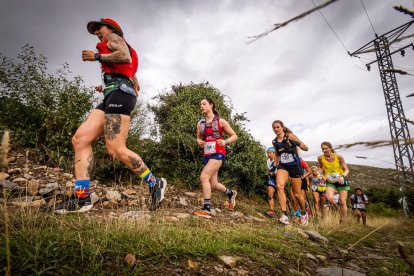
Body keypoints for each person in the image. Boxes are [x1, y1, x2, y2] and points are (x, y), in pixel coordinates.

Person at [48, 18, 167, 213]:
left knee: (115, 148)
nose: (96, 32)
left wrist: (96, 56)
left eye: (98, 28)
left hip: (120, 94)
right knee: (80, 140)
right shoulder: (110, 44)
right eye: (94, 30)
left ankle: (155, 183)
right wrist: (106, 85)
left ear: (111, 29)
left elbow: (125, 57)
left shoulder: (114, 37)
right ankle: (81, 198)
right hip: (112, 94)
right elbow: (128, 70)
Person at [193, 98, 238, 218]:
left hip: (218, 153)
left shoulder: (221, 121)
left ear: (211, 105)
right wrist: (199, 142)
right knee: (213, 183)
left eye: (204, 104)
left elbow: (234, 136)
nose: (201, 106)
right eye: (200, 104)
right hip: (207, 154)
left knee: (204, 177)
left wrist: (225, 141)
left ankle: (207, 209)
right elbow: (198, 138)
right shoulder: (200, 123)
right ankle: (230, 193)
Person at [271, 120, 309, 225]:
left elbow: (306, 148)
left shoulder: (290, 136)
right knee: (279, 186)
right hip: (283, 166)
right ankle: (284, 215)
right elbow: (277, 155)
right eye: (274, 128)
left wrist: (296, 143)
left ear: (282, 127)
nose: (276, 129)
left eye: (277, 127)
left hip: (295, 166)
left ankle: (303, 213)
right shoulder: (274, 141)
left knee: (297, 194)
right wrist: (275, 166)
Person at [318, 141, 350, 223]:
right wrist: (320, 174)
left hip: (341, 180)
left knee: (343, 202)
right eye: (323, 149)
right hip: (330, 181)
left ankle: (343, 222)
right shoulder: (320, 158)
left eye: (326, 148)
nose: (324, 150)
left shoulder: (339, 157)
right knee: (329, 198)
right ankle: (337, 207)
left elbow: (346, 169)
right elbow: (321, 168)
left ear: (330, 148)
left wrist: (343, 177)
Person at [265, 147, 277, 218]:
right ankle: (272, 211)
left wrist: (275, 173)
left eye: (270, 153)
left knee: (280, 194)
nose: (268, 154)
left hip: (279, 178)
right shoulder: (268, 161)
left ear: (274, 153)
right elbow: (268, 169)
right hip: (271, 179)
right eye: (267, 153)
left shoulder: (277, 160)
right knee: (270, 194)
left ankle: (286, 211)